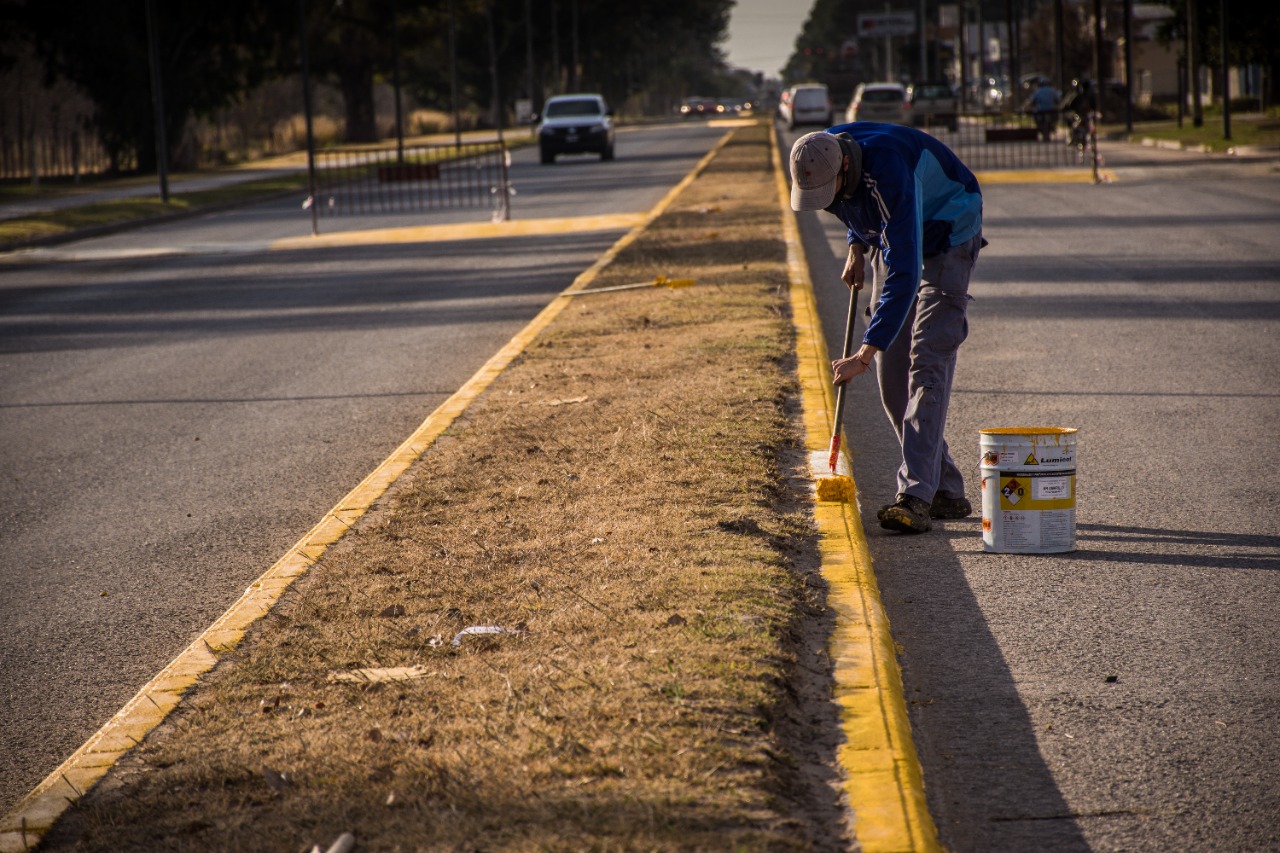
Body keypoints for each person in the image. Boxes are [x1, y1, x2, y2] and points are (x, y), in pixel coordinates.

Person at [790, 123, 984, 534]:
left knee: (927, 361)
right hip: (894, 238)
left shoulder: (888, 170)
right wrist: (856, 246)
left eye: (831, 190)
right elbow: (853, 204)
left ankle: (915, 496)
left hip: (946, 232)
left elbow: (906, 271)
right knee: (891, 376)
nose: (827, 201)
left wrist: (863, 353)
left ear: (846, 163)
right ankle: (946, 490)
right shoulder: (819, 152)